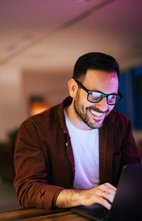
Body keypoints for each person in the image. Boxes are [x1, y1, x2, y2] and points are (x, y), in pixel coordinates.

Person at [14, 52, 140, 210]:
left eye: (111, 97)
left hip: (108, 216)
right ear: (73, 88)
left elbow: (134, 178)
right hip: (58, 220)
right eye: (95, 95)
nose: (103, 107)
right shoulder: (35, 128)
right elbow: (27, 190)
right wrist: (81, 197)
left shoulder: (120, 124)